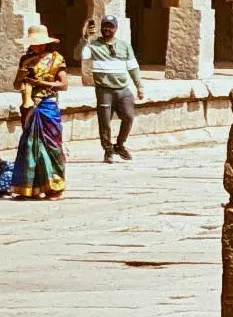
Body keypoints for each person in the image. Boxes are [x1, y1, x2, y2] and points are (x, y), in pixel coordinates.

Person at [11, 24, 68, 199]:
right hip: (30, 105)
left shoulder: (56, 59)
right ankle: (29, 187)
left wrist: (41, 84)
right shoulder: (25, 59)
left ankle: (54, 187)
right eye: (33, 43)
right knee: (29, 146)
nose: (35, 46)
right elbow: (17, 85)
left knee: (52, 146)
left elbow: (63, 85)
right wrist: (21, 76)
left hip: (47, 105)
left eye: (38, 43)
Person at [81, 15, 143, 162]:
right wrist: (85, 38)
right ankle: (108, 149)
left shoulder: (125, 45)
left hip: (123, 89)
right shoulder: (94, 45)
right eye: (105, 26)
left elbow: (133, 67)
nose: (107, 29)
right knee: (105, 121)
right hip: (104, 90)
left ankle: (120, 145)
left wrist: (139, 86)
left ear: (115, 28)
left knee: (129, 117)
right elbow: (81, 55)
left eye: (110, 26)